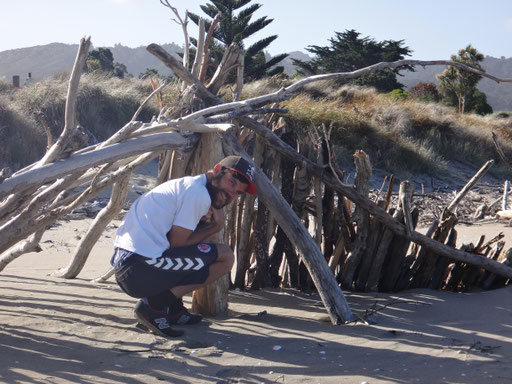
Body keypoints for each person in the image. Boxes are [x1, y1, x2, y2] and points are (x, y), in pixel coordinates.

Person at [111, 155, 257, 337]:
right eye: (232, 182)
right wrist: (215, 226)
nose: (232, 193)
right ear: (218, 169)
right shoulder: (198, 194)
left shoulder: (190, 186)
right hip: (137, 270)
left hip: (130, 264)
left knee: (204, 247)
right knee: (225, 257)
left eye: (238, 193)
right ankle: (154, 307)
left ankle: (173, 309)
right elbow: (177, 244)